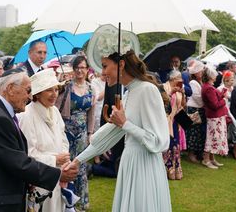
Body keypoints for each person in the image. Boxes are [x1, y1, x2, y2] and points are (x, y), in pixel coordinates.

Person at [0, 68, 78, 212]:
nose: (29, 97)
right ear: (10, 89)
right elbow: (19, 163)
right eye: (28, 91)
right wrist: (58, 174)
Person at [65, 50, 171, 212]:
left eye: (105, 66)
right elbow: (107, 136)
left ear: (121, 64)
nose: (103, 72)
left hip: (145, 166)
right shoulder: (129, 94)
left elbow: (160, 142)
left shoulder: (147, 90)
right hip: (129, 163)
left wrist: (125, 124)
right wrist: (77, 161)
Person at [18, 68, 71, 212]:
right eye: (49, 90)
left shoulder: (54, 111)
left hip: (57, 176)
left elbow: (63, 139)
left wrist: (65, 159)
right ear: (38, 93)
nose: (54, 94)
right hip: (38, 180)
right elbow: (27, 155)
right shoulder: (27, 115)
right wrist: (55, 160)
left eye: (56, 89)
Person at [62, 56, 95, 211]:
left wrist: (90, 133)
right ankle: (67, 201)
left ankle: (81, 203)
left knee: (81, 166)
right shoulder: (67, 87)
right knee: (68, 166)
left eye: (83, 67)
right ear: (73, 69)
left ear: (87, 69)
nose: (80, 70)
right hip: (67, 131)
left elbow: (91, 113)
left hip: (82, 133)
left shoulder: (90, 88)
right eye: (77, 67)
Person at [201, 65, 228, 169]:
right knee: (212, 138)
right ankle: (206, 159)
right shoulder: (208, 88)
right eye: (215, 75)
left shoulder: (209, 87)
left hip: (216, 117)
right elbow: (214, 105)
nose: (216, 77)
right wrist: (224, 101)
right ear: (211, 76)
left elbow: (214, 100)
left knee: (215, 138)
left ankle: (212, 159)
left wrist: (221, 94)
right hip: (214, 117)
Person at [185, 60, 206, 163]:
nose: (202, 73)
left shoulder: (200, 82)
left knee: (198, 132)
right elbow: (197, 96)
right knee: (193, 131)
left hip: (199, 108)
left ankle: (197, 152)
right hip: (194, 108)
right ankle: (191, 154)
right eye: (200, 71)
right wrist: (205, 102)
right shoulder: (193, 82)